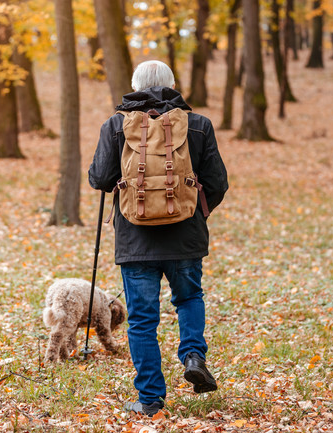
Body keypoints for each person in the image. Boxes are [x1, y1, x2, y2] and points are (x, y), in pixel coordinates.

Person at [88, 60, 229, 416]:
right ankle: (194, 355)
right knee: (189, 298)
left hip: (136, 242)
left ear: (135, 85)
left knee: (142, 320)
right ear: (172, 84)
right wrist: (197, 208)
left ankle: (150, 399)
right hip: (185, 236)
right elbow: (218, 182)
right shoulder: (197, 125)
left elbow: (100, 178)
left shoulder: (116, 125)